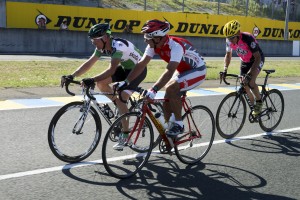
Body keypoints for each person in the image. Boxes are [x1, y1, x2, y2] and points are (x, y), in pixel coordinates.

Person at [61, 23, 147, 150]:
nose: (92, 42)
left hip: (138, 71)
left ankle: (125, 135)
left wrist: (91, 79)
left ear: (105, 37)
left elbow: (111, 70)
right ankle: (120, 106)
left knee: (122, 96)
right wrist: (72, 75)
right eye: (91, 39)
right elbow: (90, 62)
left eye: (94, 39)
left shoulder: (118, 47)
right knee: (101, 83)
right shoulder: (102, 46)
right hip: (125, 68)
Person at [115, 19, 206, 137]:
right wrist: (126, 82)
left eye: (147, 36)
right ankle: (169, 133)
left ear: (157, 37)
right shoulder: (153, 45)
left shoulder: (175, 46)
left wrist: (154, 89)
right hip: (183, 70)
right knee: (166, 99)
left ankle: (179, 124)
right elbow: (141, 65)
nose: (145, 39)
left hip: (197, 70)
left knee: (171, 88)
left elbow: (169, 71)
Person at [223, 19, 265, 117]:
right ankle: (254, 107)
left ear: (238, 33)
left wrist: (250, 74)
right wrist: (225, 69)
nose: (230, 40)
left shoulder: (248, 38)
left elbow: (257, 57)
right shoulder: (229, 40)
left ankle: (259, 101)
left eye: (232, 38)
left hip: (257, 59)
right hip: (245, 61)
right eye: (228, 38)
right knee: (244, 85)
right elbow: (228, 55)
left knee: (250, 81)